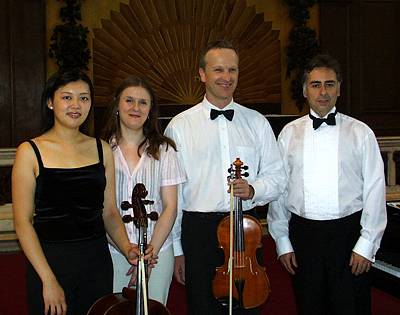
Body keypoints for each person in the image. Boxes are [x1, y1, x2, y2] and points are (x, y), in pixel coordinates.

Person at [12, 69, 148, 315]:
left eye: (84, 98)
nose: (76, 105)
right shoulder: (29, 151)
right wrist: (48, 280)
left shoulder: (101, 149)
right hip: (50, 261)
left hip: (96, 261)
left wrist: (127, 247)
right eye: (67, 97)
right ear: (50, 102)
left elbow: (108, 212)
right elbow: (23, 223)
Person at [164, 39, 286, 315]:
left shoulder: (256, 122)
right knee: (202, 307)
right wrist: (176, 248)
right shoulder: (180, 126)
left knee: (248, 306)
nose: (226, 77)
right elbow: (173, 195)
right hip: (199, 233)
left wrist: (254, 189)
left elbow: (278, 177)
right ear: (202, 74)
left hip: (246, 232)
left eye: (233, 70)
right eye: (218, 70)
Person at [267, 54, 387, 315]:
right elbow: (280, 191)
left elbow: (376, 190)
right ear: (304, 90)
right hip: (304, 237)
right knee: (309, 306)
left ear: (339, 89)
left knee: (351, 307)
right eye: (315, 84)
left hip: (348, 236)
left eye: (329, 84)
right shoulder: (289, 133)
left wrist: (366, 245)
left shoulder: (361, 133)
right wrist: (283, 241)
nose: (323, 92)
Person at [102, 76, 186, 305]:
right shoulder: (101, 149)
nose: (135, 108)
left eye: (143, 102)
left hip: (157, 252)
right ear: (117, 106)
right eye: (129, 100)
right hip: (113, 252)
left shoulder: (165, 150)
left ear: (151, 110)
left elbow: (170, 207)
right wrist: (126, 247)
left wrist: (150, 253)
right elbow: (104, 208)